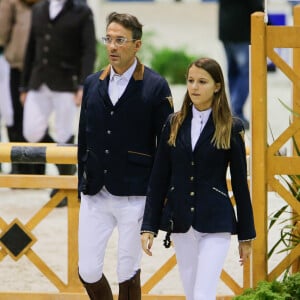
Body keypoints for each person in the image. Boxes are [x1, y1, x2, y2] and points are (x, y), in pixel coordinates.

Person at [141, 57, 256, 300]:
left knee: (203, 294)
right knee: (192, 293)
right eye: (191, 81)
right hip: (181, 221)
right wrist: (149, 225)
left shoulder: (230, 127)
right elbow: (159, 177)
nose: (194, 87)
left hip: (217, 221)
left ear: (217, 86)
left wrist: (246, 235)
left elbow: (239, 185)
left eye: (202, 82)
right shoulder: (173, 123)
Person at [77, 12, 174, 300]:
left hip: (135, 193)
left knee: (127, 270)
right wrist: (81, 184)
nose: (112, 46)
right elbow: (84, 137)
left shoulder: (156, 86)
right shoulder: (93, 83)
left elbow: (166, 147)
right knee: (88, 269)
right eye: (108, 39)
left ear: (137, 44)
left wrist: (160, 199)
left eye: (120, 40)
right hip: (96, 191)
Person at [20, 0, 96, 204]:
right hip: (38, 79)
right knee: (31, 132)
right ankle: (64, 170)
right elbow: (31, 47)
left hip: (67, 82)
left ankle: (63, 185)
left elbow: (89, 50)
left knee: (64, 133)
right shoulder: (39, 9)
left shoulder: (82, 11)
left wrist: (83, 84)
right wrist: (23, 85)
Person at [0, 0, 40, 174]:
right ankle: (36, 168)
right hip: (38, 66)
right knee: (34, 118)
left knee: (16, 116)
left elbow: (2, 32)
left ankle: (21, 168)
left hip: (17, 64)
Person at [218, 0, 264, 130]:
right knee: (244, 73)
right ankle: (236, 111)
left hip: (225, 28)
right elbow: (255, 6)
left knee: (232, 72)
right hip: (241, 30)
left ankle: (232, 110)